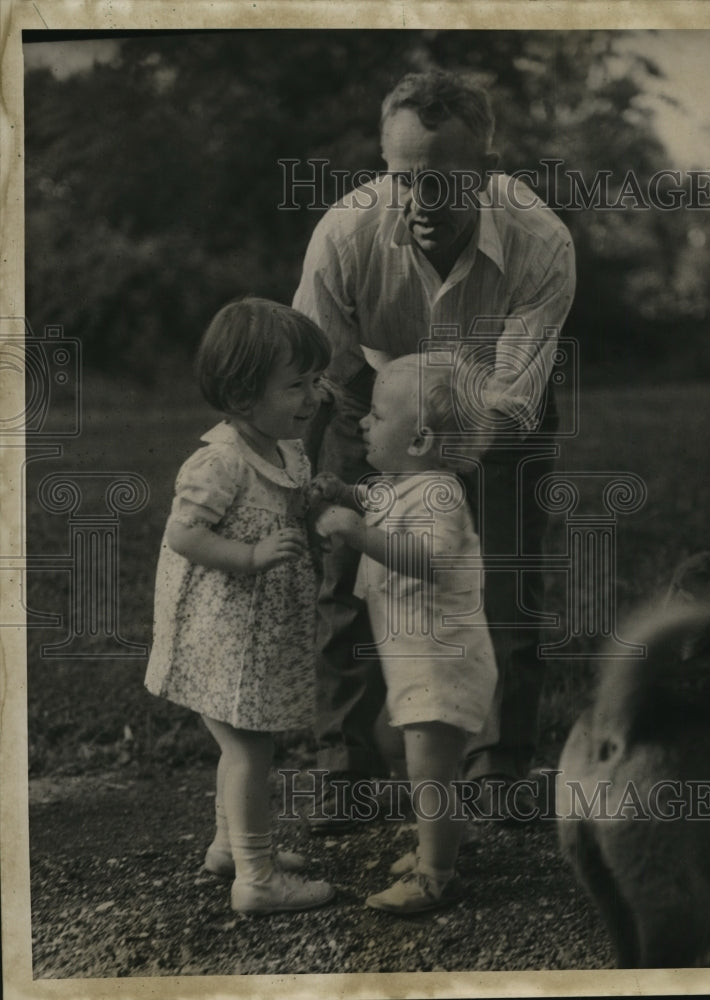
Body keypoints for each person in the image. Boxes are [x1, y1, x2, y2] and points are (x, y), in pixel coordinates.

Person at [293, 69, 576, 822]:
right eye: (403, 179)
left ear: (485, 169)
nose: (422, 202)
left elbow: (510, 403)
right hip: (372, 394)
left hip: (496, 406)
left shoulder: (540, 241)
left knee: (502, 570)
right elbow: (314, 380)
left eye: (444, 181)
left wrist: (435, 503)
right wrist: (302, 482)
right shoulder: (345, 235)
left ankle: (497, 768)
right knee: (344, 564)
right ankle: (345, 771)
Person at [144, 297, 335, 914]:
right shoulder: (220, 460)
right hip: (224, 635)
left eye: (315, 380)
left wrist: (316, 500)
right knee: (250, 750)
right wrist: (249, 557)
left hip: (254, 634)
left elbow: (287, 502)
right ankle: (256, 879)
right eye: (296, 386)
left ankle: (232, 848)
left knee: (241, 748)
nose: (313, 397)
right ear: (242, 398)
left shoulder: (285, 448)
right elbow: (183, 534)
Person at [314, 356, 497, 912]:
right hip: (417, 662)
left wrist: (358, 536)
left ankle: (436, 875)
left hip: (442, 663)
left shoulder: (440, 494)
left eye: (375, 414)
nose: (364, 424)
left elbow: (432, 558)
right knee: (413, 754)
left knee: (427, 767)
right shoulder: (403, 486)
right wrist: (345, 494)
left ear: (418, 439)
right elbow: (374, 502)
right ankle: (436, 843)